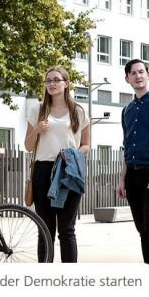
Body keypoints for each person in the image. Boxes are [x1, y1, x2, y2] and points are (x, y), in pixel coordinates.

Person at [24, 66, 90, 263]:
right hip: (43, 170)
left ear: (66, 83)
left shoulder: (77, 110)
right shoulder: (37, 109)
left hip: (69, 170)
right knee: (45, 228)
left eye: (56, 80)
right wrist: (36, 130)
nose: (51, 84)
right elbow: (28, 146)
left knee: (67, 229)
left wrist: (71, 154)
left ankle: (69, 278)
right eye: (48, 81)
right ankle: (45, 276)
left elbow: (86, 145)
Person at [115, 59, 149, 293]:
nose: (138, 76)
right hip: (133, 176)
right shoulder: (126, 111)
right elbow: (127, 147)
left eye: (141, 72)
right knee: (141, 227)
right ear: (127, 78)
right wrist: (121, 179)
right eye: (133, 73)